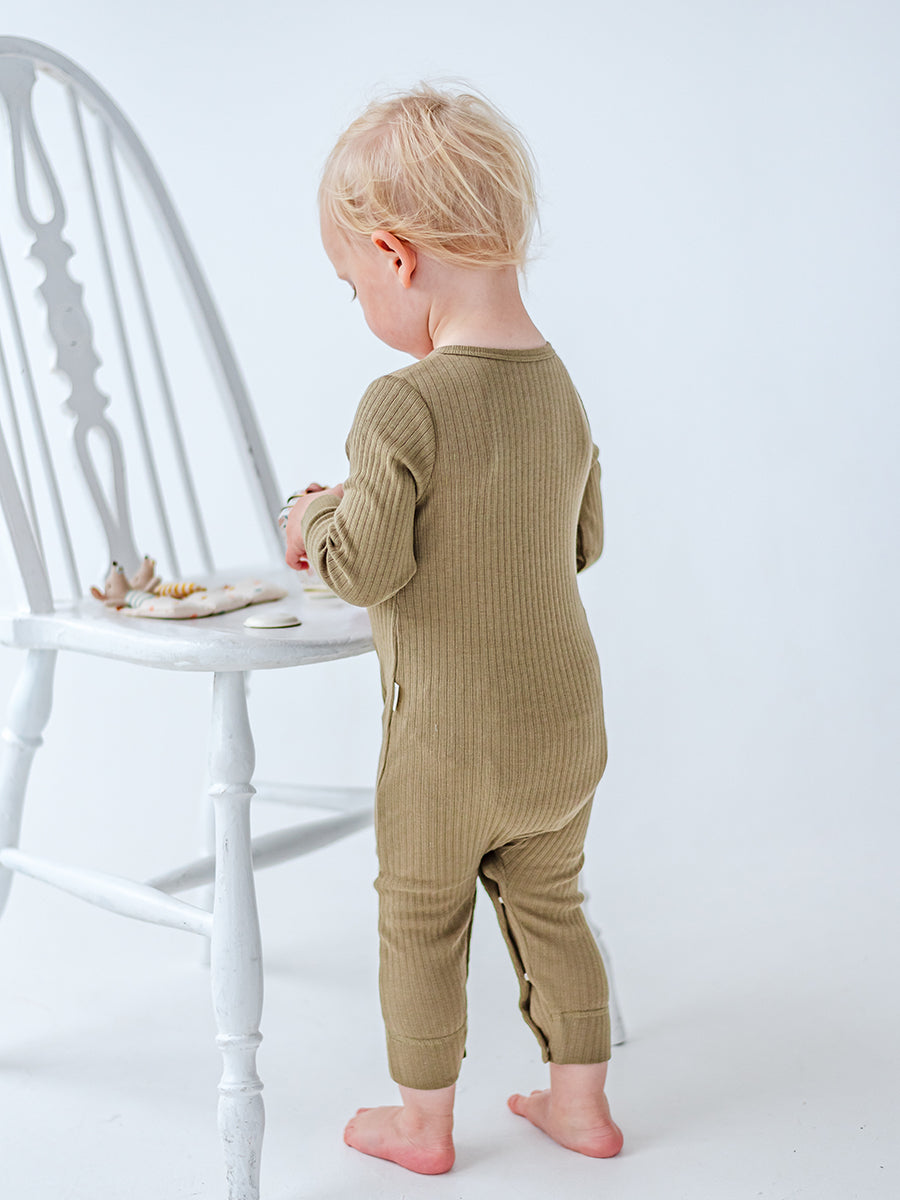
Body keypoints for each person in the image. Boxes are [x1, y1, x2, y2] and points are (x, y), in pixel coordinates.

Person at [283, 84, 623, 1175]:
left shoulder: (403, 404)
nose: (360, 304)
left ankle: (423, 1126)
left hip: (446, 744)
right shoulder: (558, 387)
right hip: (564, 727)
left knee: (422, 917)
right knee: (552, 906)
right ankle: (582, 1106)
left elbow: (367, 567)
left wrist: (316, 516)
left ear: (395, 257)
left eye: (351, 287)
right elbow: (583, 541)